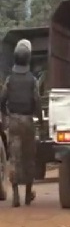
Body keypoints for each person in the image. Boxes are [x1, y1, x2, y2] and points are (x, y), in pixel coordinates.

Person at [0, 39, 43, 207]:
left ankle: (16, 195)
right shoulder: (32, 80)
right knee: (29, 158)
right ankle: (27, 195)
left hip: (14, 121)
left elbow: (1, 100)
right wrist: (40, 120)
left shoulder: (10, 80)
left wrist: (6, 115)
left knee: (15, 158)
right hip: (28, 121)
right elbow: (37, 101)